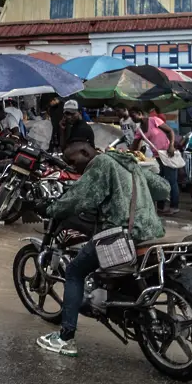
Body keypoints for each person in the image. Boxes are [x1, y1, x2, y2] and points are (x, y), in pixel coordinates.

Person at [37, 140, 167, 357]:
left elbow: (79, 199)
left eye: (72, 161)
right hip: (151, 234)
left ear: (85, 151)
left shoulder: (101, 163)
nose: (72, 167)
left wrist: (50, 209)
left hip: (123, 236)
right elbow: (164, 189)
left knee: (74, 271)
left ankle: (65, 338)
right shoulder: (129, 164)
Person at [139, 105, 180, 215]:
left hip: (167, 154)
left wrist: (171, 146)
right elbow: (136, 142)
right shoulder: (140, 128)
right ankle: (161, 206)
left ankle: (174, 206)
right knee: (159, 181)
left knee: (171, 181)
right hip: (156, 156)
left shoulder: (155, 120)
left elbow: (170, 131)